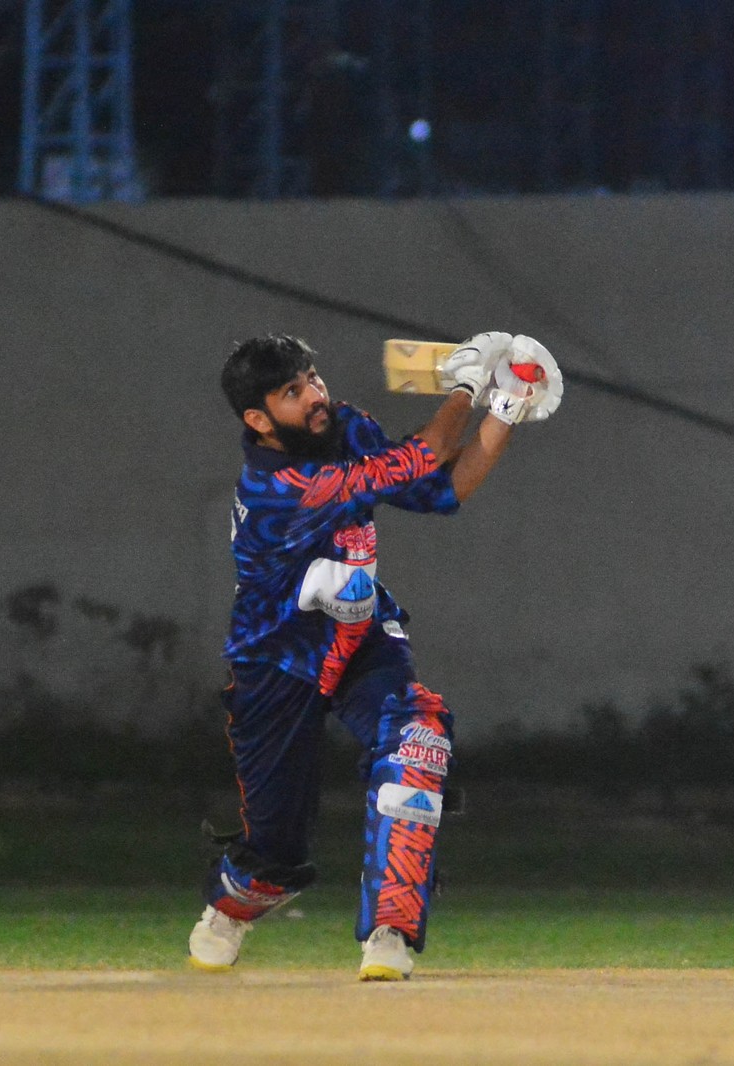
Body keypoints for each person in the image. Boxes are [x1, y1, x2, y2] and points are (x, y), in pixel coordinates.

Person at [189, 331, 560, 981]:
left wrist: (506, 407)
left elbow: (440, 488)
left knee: (418, 736)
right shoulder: (279, 486)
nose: (315, 395)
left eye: (313, 378)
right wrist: (466, 388)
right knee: (275, 854)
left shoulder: (347, 427)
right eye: (292, 392)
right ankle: (234, 903)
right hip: (277, 660)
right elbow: (418, 459)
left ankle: (390, 930)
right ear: (258, 419)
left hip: (361, 636)